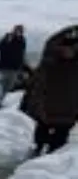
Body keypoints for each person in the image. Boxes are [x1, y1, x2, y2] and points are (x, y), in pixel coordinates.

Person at [20, 27, 78, 156]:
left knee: (59, 139)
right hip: (47, 107)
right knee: (41, 133)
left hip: (68, 110)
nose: (67, 51)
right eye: (64, 48)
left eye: (70, 49)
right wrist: (29, 100)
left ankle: (51, 157)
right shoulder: (50, 62)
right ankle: (38, 152)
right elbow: (37, 82)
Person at [0, 25, 27, 109]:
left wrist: (21, 68)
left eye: (20, 31)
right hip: (3, 67)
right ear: (14, 30)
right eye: (17, 30)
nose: (19, 32)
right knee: (0, 86)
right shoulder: (8, 37)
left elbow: (21, 54)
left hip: (14, 68)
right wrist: (6, 41)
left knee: (8, 87)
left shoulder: (22, 40)